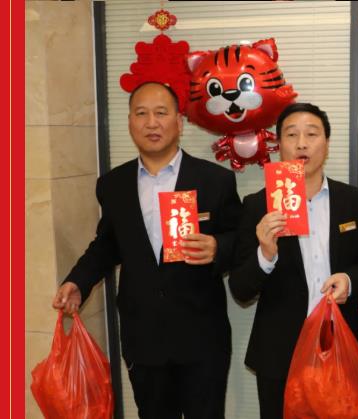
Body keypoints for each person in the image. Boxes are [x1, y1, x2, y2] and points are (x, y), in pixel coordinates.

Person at [52, 82, 242, 419]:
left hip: (202, 336)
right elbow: (107, 244)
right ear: (130, 122)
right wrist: (78, 281)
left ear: (179, 122)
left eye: (161, 113)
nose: (151, 123)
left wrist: (218, 247)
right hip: (143, 337)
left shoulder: (215, 180)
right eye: (141, 114)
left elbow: (241, 237)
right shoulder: (113, 184)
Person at [229, 103, 358, 419]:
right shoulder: (258, 205)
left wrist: (349, 281)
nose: (302, 144)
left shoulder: (354, 200)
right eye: (291, 135)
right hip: (279, 353)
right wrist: (265, 254)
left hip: (338, 347)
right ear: (279, 144)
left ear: (326, 143)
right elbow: (240, 289)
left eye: (312, 134)